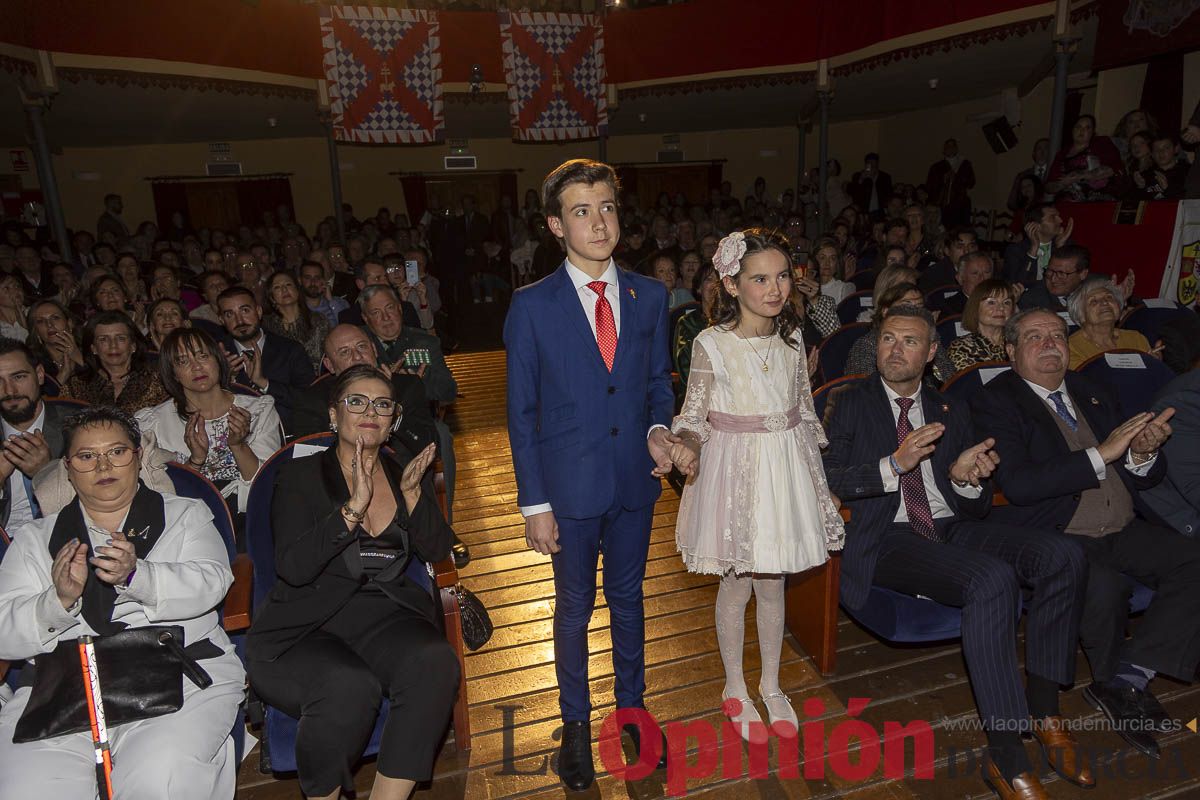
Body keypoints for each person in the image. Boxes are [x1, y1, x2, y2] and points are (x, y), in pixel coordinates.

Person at [824, 306, 1090, 798]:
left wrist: (965, 479)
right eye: (887, 339)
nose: (895, 350)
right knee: (993, 580)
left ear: (929, 353)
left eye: (909, 342)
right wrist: (892, 464)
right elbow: (822, 479)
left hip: (951, 525)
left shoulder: (950, 408)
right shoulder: (847, 400)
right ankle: (1007, 754)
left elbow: (978, 500)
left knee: (1063, 555)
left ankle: (1045, 704)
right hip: (887, 537)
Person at [504, 159, 677, 790]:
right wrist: (534, 503)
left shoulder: (650, 295)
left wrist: (660, 427)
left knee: (628, 601)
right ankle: (575, 725)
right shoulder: (531, 307)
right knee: (574, 608)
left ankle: (632, 713)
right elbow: (521, 413)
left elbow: (658, 382)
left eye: (606, 207)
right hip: (568, 488)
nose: (599, 222)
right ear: (555, 225)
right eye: (581, 211)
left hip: (632, 479)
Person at [971, 308, 1200, 759]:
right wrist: (1104, 453)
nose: (1050, 343)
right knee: (1105, 587)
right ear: (1011, 350)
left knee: (1194, 560)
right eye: (1035, 337)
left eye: (1057, 335)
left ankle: (1127, 677)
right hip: (1060, 534)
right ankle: (1113, 679)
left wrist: (1140, 454)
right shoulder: (996, 400)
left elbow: (1141, 476)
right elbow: (1017, 484)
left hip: (1122, 525)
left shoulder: (1092, 390)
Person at [0, 405, 244, 798]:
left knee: (160, 776)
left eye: (116, 451)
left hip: (177, 676)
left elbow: (213, 582)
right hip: (65, 686)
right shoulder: (35, 539)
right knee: (28, 788)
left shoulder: (185, 515)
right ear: (67, 467)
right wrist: (57, 601)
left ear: (137, 456)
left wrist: (138, 575)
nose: (103, 466)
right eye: (87, 456)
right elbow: (2, 632)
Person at [246, 365, 457, 800]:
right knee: (347, 685)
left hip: (383, 618)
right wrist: (351, 510)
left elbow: (438, 549)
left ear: (393, 419)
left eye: (382, 404)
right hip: (306, 625)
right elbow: (295, 568)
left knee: (436, 661)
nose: (369, 411)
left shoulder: (402, 472)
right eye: (356, 401)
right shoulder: (297, 477)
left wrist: (415, 494)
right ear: (333, 415)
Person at [669, 229, 843, 741]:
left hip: (784, 470)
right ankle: (734, 687)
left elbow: (805, 416)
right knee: (737, 582)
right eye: (760, 278)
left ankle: (771, 683)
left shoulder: (792, 339)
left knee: (773, 583)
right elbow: (695, 415)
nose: (775, 288)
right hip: (737, 472)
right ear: (731, 283)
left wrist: (819, 486)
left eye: (783, 276)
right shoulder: (712, 343)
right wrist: (685, 445)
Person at [136, 327, 281, 509]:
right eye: (183, 361)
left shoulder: (258, 410)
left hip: (249, 515)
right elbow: (160, 498)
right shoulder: (153, 424)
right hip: (187, 517)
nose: (196, 367)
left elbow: (268, 485)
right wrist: (195, 461)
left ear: (218, 361)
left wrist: (238, 445)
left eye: (203, 356)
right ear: (173, 373)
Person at [215, 286, 314, 432]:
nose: (239, 320)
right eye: (230, 314)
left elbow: (309, 400)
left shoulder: (290, 350)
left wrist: (264, 383)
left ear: (259, 311)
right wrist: (225, 379)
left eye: (245, 310)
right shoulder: (216, 356)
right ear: (221, 320)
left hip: (287, 434)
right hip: (234, 437)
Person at [0, 338, 68, 532]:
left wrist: (46, 473)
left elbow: (100, 503)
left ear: (39, 375)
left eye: (19, 377)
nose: (10, 391)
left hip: (60, 538)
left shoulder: (77, 426)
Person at [845, 282, 955, 385]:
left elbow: (950, 378)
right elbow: (863, 388)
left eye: (919, 307)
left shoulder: (930, 339)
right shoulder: (867, 344)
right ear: (886, 311)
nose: (914, 312)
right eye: (906, 306)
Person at [60, 311, 167, 414]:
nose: (113, 346)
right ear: (94, 348)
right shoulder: (75, 386)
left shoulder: (158, 380)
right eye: (103, 339)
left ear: (133, 346)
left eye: (120, 338)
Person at [1066, 275, 1151, 369]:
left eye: (1109, 297)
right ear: (1081, 315)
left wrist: (1154, 363)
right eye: (1093, 301)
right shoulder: (1071, 347)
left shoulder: (1136, 338)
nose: (1104, 302)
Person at [1045, 114, 1126, 201]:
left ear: (1092, 132)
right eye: (1078, 127)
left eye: (1087, 128)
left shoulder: (1101, 143)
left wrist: (1080, 176)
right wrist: (1062, 184)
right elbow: (1048, 186)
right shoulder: (1062, 153)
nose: (1082, 130)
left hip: (1098, 200)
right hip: (1067, 201)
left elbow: (1113, 169)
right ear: (1072, 130)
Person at [261, 270, 330, 372]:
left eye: (288, 284)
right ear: (272, 298)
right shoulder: (266, 326)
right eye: (277, 287)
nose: (284, 289)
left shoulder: (318, 320)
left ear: (297, 290)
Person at [946, 279, 1018, 371]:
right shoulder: (962, 348)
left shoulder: (1019, 343)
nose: (1001, 308)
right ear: (975, 307)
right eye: (991, 302)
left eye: (1006, 302)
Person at [1003, 203, 1073, 287]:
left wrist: (1060, 248)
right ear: (1036, 225)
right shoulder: (1016, 250)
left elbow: (1071, 280)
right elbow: (1017, 285)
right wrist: (1033, 250)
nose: (1060, 220)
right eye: (1053, 217)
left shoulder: (1065, 245)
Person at [25, 299, 84, 389]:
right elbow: (35, 399)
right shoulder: (31, 362)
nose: (49, 324)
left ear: (69, 323)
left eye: (55, 318)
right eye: (40, 321)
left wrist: (78, 358)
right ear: (36, 331)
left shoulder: (91, 350)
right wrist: (61, 377)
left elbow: (107, 390)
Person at [674, 265, 717, 387]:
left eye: (719, 280)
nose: (715, 284)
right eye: (709, 279)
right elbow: (685, 368)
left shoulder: (733, 321)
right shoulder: (688, 322)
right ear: (699, 288)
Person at [1018, 244, 1092, 313]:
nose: (1053, 279)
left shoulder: (1095, 291)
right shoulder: (1032, 300)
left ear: (1083, 274)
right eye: (1050, 271)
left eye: (1061, 273)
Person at [925, 139, 975, 227]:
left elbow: (971, 183)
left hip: (959, 205)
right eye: (948, 146)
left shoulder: (965, 165)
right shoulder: (936, 167)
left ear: (956, 149)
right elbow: (929, 186)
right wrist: (943, 180)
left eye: (953, 146)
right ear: (944, 150)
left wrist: (957, 177)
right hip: (941, 206)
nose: (950, 148)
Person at [928, 250, 993, 319]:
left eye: (986, 272)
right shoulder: (948, 309)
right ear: (960, 279)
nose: (982, 278)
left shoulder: (1001, 305)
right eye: (975, 273)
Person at [916, 226, 978, 295]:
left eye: (971, 246)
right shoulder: (934, 275)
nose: (967, 251)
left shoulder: (984, 269)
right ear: (947, 251)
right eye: (960, 247)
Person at [1129, 135, 1189, 200]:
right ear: (1151, 153)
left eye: (1166, 148)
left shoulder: (1188, 171)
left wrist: (1167, 189)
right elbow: (1133, 203)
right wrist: (1140, 187)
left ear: (1176, 149)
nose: (1161, 152)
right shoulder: (1146, 175)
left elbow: (1191, 200)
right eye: (1156, 149)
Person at [1006, 138, 1051, 211]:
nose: (1042, 151)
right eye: (1039, 148)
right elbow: (1012, 202)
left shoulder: (1054, 173)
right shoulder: (1023, 175)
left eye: (1046, 148)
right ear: (1034, 153)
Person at [810, 237, 853, 304]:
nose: (827, 263)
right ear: (815, 260)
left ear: (837, 262)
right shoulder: (808, 286)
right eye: (822, 258)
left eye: (832, 258)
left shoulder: (844, 288)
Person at [850, 152, 893, 217]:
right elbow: (853, 192)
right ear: (866, 164)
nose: (872, 166)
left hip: (880, 211)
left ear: (877, 164)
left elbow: (888, 194)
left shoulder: (885, 177)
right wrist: (861, 179)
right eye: (869, 163)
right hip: (863, 211)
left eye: (874, 164)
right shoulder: (858, 176)